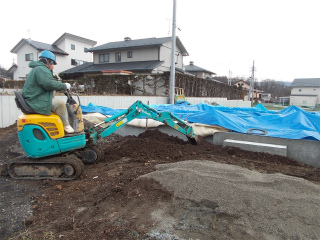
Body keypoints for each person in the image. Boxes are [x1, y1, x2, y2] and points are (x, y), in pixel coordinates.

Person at [22, 50, 74, 133]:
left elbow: (47, 83)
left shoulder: (38, 69)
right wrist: (64, 85)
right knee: (60, 105)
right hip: (36, 100)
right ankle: (66, 126)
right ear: (48, 61)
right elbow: (48, 84)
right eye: (53, 64)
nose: (53, 67)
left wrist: (60, 87)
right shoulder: (41, 69)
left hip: (35, 98)